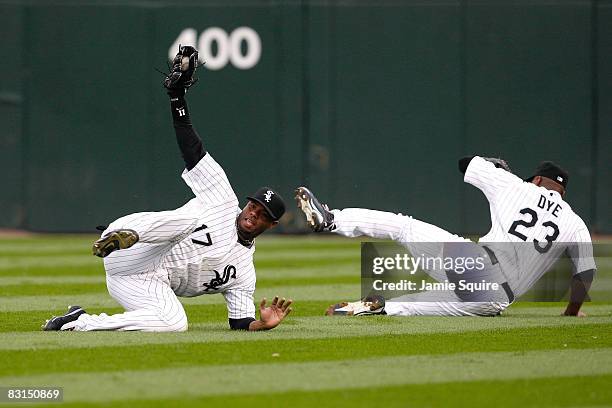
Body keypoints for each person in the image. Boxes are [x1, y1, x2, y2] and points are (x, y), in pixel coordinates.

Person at [42, 46, 292, 332]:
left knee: (175, 323)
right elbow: (193, 150)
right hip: (138, 248)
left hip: (138, 281)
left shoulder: (244, 272)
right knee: (190, 220)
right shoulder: (223, 199)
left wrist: (261, 324)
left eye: (262, 214)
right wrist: (177, 98)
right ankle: (123, 234)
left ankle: (78, 321)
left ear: (271, 225)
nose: (252, 214)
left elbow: (240, 322)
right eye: (253, 206)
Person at [295, 156, 596, 317]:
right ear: (563, 193)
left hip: (472, 261)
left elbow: (466, 163)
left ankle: (332, 220)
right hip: (494, 299)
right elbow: (586, 272)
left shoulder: (517, 186)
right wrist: (571, 312)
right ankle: (380, 307)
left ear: (538, 180)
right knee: (411, 305)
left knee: (402, 227)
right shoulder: (574, 222)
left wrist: (495, 166)